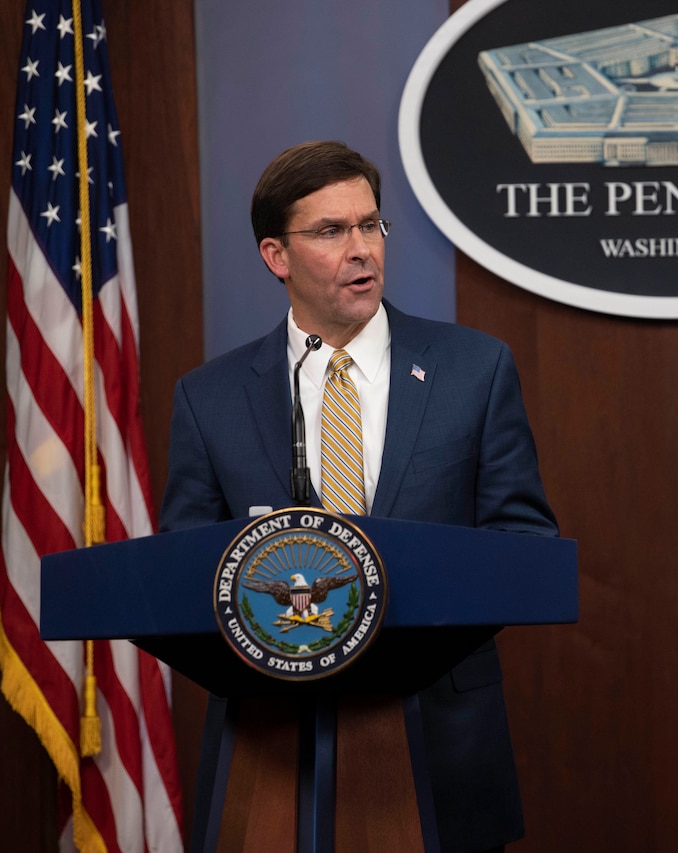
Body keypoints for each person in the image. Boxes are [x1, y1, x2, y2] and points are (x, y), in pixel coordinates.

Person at [161, 140, 557, 853]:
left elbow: (525, 544)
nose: (361, 249)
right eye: (331, 231)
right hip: (269, 745)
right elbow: (180, 571)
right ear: (276, 256)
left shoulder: (474, 368)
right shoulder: (208, 397)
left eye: (371, 225)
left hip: (437, 735)